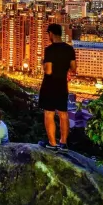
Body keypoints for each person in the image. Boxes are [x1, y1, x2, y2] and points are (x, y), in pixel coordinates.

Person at [38, 23, 77, 153]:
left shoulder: (50, 50)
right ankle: (63, 143)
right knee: (63, 114)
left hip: (49, 85)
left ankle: (52, 143)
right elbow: (73, 68)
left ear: (51, 33)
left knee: (49, 114)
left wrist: (43, 63)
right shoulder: (69, 49)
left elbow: (48, 71)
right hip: (62, 84)